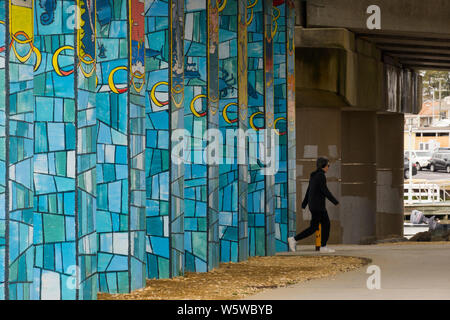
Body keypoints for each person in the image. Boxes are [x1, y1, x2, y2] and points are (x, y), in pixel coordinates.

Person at [288, 157, 339, 253]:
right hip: (318, 206)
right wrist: (334, 201)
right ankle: (294, 239)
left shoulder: (314, 175)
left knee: (317, 226)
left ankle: (321, 246)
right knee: (323, 225)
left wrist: (304, 203)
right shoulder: (321, 176)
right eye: (328, 165)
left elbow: (308, 190)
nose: (328, 167)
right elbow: (325, 190)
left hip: (314, 205)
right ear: (323, 165)